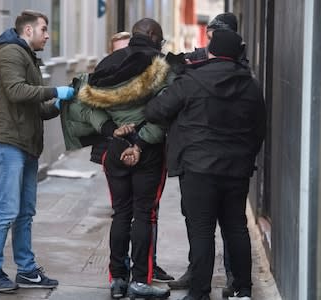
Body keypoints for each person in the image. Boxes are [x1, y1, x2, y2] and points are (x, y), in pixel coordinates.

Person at [145, 29, 266, 300]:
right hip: (236, 170)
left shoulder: (192, 79)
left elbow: (156, 111)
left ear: (212, 51)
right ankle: (243, 290)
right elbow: (260, 128)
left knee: (201, 230)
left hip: (198, 168)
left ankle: (199, 292)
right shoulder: (251, 84)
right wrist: (246, 158)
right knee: (236, 226)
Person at [76, 18, 172, 300]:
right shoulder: (161, 66)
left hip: (114, 149)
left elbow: (86, 103)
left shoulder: (108, 63)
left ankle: (117, 279)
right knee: (144, 214)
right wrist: (141, 143)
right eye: (161, 39)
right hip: (149, 151)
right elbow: (166, 111)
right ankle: (140, 281)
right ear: (153, 36)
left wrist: (111, 130)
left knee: (121, 213)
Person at [0, 10, 75, 292]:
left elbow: (35, 107)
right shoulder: (10, 53)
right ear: (28, 31)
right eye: (44, 29)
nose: (47, 35)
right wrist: (55, 91)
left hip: (26, 144)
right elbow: (16, 91)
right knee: (8, 210)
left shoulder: (28, 57)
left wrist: (57, 104)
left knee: (25, 212)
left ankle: (26, 270)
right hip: (7, 142)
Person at [170, 12, 242, 298]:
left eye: (216, 36)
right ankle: (196, 273)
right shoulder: (196, 57)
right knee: (196, 220)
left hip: (223, 155)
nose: (210, 41)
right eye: (210, 35)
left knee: (229, 224)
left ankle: (234, 277)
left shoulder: (237, 64)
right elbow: (170, 71)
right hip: (194, 154)